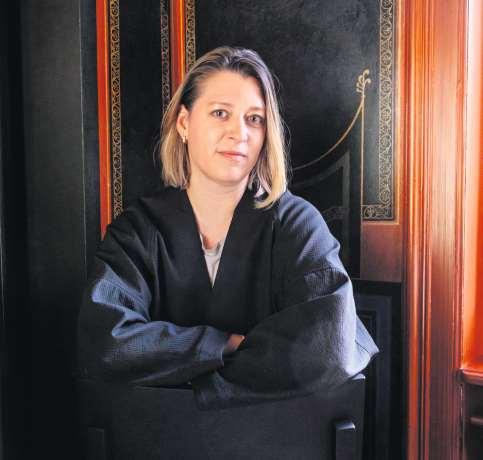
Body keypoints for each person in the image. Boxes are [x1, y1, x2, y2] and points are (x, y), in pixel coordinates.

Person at [77, 46, 378, 411]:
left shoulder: (298, 225)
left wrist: (183, 364)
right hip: (162, 433)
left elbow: (329, 344)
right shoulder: (137, 231)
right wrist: (226, 344)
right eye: (220, 113)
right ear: (184, 123)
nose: (240, 133)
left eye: (255, 119)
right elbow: (107, 341)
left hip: (274, 434)